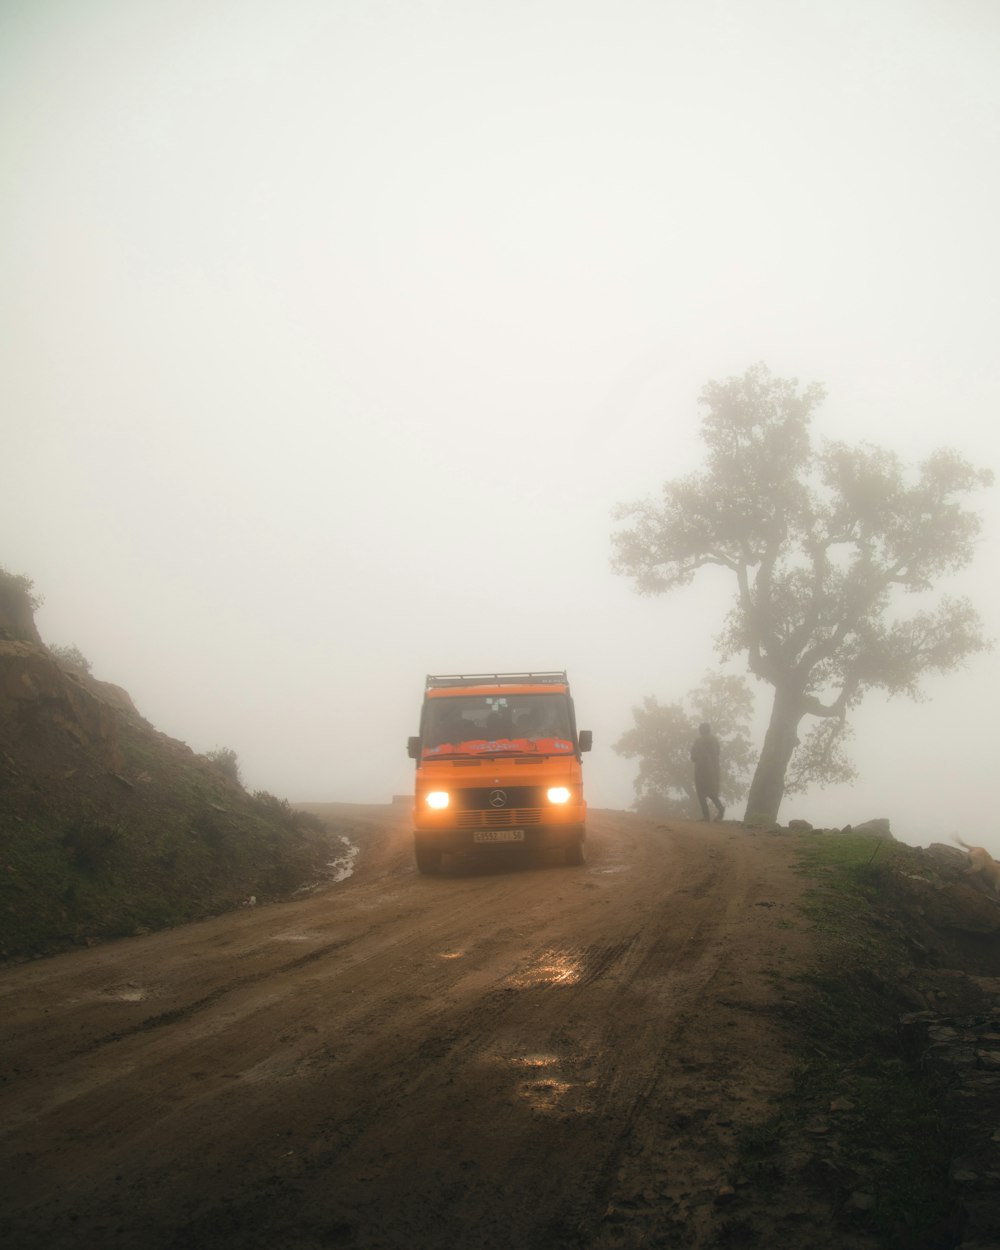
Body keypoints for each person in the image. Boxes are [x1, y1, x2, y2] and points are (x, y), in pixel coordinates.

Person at [691, 723, 725, 821]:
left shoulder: (697, 741)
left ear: (700, 730)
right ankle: (720, 809)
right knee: (712, 792)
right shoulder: (715, 740)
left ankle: (706, 817)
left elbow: (693, 757)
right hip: (713, 769)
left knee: (701, 793)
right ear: (709, 730)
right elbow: (718, 753)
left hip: (700, 770)